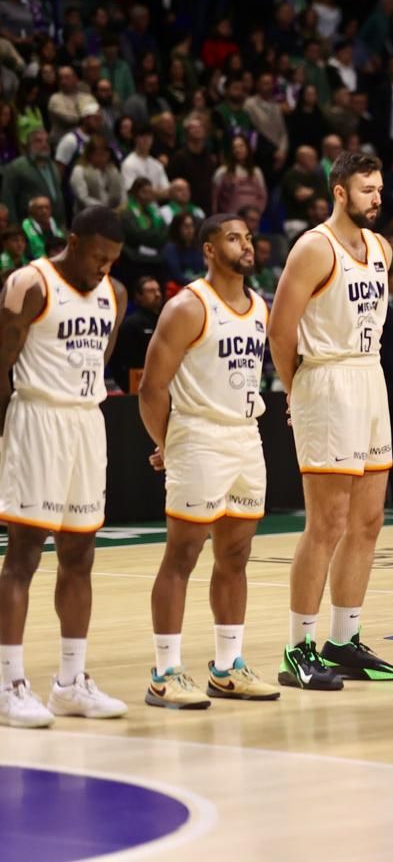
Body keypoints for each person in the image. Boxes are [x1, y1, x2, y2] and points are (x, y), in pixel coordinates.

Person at [267, 151, 393, 690]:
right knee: (326, 523)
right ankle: (298, 646)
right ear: (340, 192)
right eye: (366, 189)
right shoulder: (312, 247)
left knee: (368, 522)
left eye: (380, 188)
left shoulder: (381, 248)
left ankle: (343, 640)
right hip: (326, 380)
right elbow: (281, 330)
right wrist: (298, 385)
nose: (377, 197)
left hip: (367, 378)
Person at [139, 214, 280, 708]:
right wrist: (169, 442)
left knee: (236, 556)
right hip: (199, 435)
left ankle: (227, 667)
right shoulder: (187, 306)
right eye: (232, 237)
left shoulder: (259, 305)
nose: (245, 244)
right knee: (182, 555)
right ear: (208, 248)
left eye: (247, 237)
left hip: (245, 435)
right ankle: (164, 672)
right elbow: (151, 387)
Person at [0, 207, 128, 728]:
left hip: (85, 422)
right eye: (98, 256)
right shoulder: (29, 284)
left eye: (112, 260)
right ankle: (9, 683)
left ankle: (70, 683)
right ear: (72, 242)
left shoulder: (113, 294)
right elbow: (1, 363)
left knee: (81, 553)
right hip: (36, 419)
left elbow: (101, 358)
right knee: (25, 553)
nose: (104, 268)